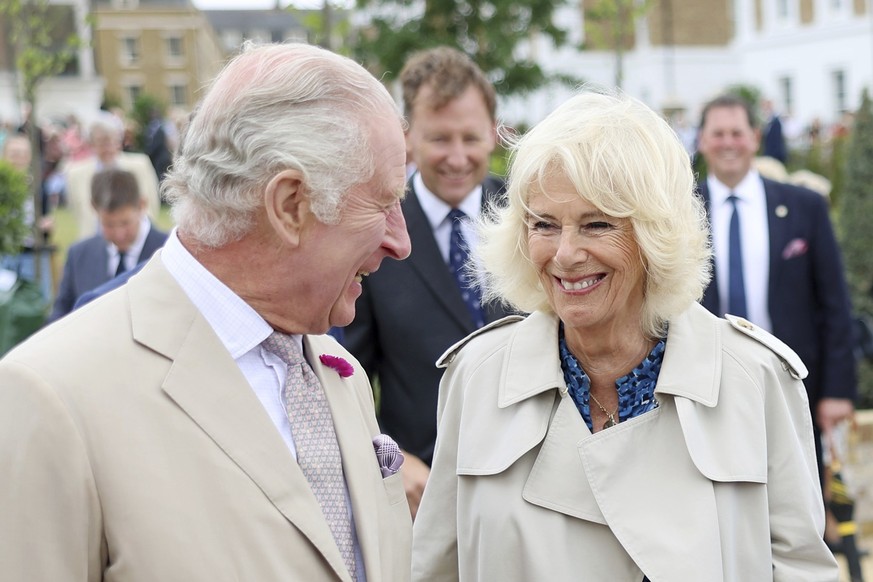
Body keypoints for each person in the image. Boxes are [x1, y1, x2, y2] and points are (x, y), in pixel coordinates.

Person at [0, 42, 413, 580]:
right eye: (382, 203)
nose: (400, 241)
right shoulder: (51, 394)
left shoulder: (340, 373)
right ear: (290, 204)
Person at [411, 89, 837, 581]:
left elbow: (802, 569)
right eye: (544, 224)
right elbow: (434, 570)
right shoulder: (478, 377)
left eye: (596, 225)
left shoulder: (755, 379)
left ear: (656, 234)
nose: (565, 254)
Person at [343, 46, 514, 517]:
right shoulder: (374, 231)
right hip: (425, 498)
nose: (457, 157)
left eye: (471, 138)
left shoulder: (534, 218)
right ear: (408, 138)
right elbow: (343, 378)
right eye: (440, 139)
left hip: (531, 484)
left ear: (493, 135)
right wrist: (389, 458)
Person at [695, 93, 857, 483]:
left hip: (792, 377)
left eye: (737, 132)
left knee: (799, 492)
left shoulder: (804, 206)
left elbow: (834, 301)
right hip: (708, 379)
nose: (728, 143)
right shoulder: (679, 208)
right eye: (718, 133)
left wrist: (837, 390)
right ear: (702, 141)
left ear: (754, 137)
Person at [47, 167, 167, 323]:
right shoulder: (79, 255)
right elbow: (60, 317)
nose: (119, 234)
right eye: (108, 224)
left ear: (142, 205)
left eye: (125, 223)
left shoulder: (168, 251)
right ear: (94, 208)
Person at [64, 115, 161, 240]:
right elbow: (77, 210)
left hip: (135, 239)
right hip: (94, 240)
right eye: (101, 142)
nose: (107, 147)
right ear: (92, 144)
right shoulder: (76, 173)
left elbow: (151, 203)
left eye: (111, 141)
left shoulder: (140, 165)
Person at [0, 133, 54, 301]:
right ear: (4, 155)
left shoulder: (39, 186)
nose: (19, 159)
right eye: (14, 154)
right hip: (4, 254)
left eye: (24, 154)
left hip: (33, 254)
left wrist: (47, 225)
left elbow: (47, 217)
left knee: (36, 303)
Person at [761, 98, 788, 164]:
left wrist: (770, 157)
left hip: (775, 157)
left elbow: (776, 142)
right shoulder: (768, 121)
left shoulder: (776, 122)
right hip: (769, 156)